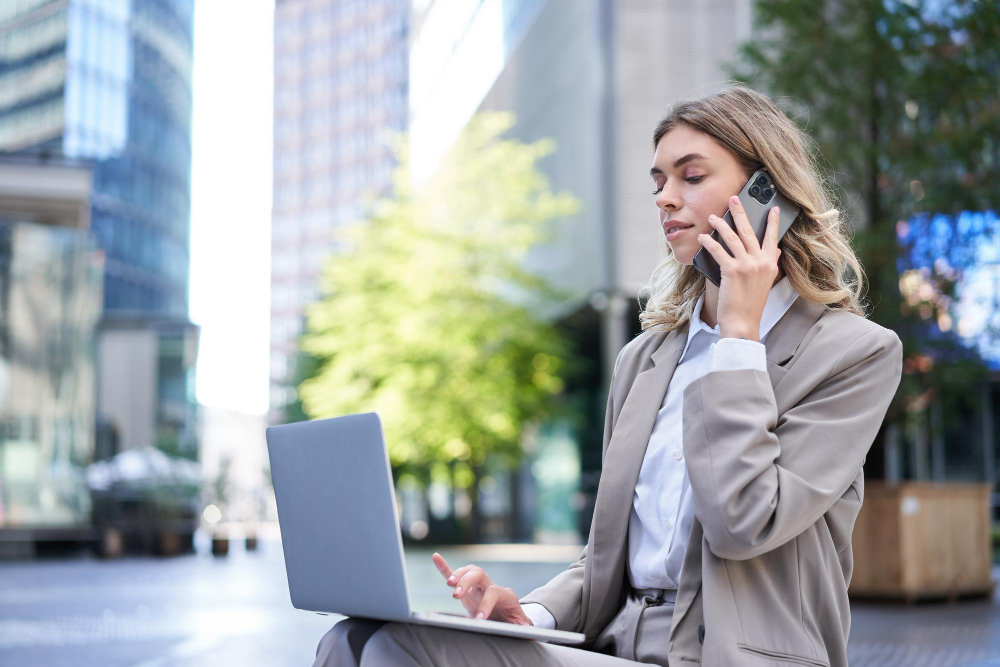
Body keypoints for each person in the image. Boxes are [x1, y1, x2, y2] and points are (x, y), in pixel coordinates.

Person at [314, 83, 903, 667]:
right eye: (658, 183)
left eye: (690, 177)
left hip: (736, 657)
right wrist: (531, 615)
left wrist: (739, 339)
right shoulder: (643, 360)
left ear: (766, 192)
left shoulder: (854, 354)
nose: (665, 198)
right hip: (615, 648)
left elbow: (744, 522)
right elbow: (607, 557)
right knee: (357, 638)